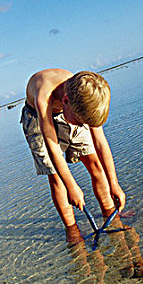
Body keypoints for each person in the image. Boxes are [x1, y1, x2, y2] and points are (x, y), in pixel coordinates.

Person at [20, 69, 126, 243]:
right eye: (80, 122)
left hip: (69, 112)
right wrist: (72, 186)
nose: (83, 126)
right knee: (56, 176)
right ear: (65, 101)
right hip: (37, 118)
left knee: (95, 165)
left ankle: (110, 213)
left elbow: (100, 142)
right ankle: (72, 228)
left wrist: (114, 184)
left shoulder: (85, 95)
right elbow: (52, 147)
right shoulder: (44, 95)